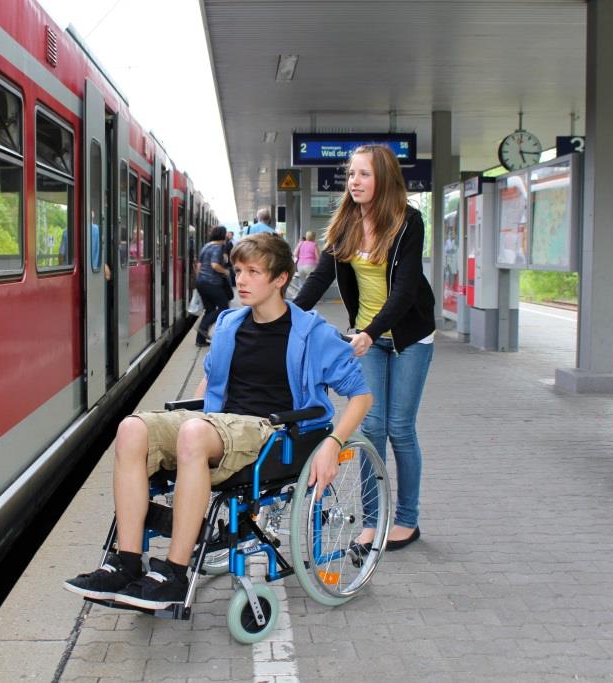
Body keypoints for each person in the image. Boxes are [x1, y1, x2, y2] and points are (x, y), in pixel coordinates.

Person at [63, 233, 372, 610]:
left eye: (253, 272)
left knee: (194, 433)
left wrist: (333, 443)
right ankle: (127, 563)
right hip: (218, 425)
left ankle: (175, 574)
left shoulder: (313, 332)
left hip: (273, 433)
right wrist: (185, 420)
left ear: (280, 279)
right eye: (239, 270)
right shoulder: (228, 324)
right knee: (132, 428)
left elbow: (361, 396)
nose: (240, 280)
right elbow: (211, 381)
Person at [294, 144, 435, 552]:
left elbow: (406, 289)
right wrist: (284, 315)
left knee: (400, 429)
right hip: (368, 336)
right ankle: (372, 521)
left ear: (384, 179)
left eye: (363, 175)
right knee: (371, 428)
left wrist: (371, 332)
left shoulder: (409, 222)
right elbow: (320, 279)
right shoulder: (345, 223)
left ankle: (407, 519)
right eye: (351, 174)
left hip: (408, 335)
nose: (354, 181)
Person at [192, 225, 230, 347]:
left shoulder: (206, 246)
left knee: (210, 310)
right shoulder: (217, 247)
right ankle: (202, 327)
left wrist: (199, 279)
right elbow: (214, 265)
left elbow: (198, 265)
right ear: (223, 236)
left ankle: (200, 340)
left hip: (201, 281)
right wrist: (225, 272)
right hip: (212, 282)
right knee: (224, 307)